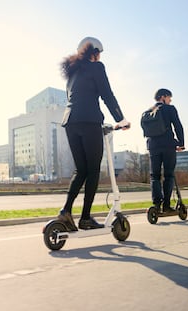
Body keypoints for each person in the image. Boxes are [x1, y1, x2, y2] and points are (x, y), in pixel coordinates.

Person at [58, 37, 130, 231]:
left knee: (80, 170)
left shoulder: (72, 75)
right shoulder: (97, 68)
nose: (99, 58)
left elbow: (75, 100)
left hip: (70, 123)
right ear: (94, 52)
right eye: (99, 54)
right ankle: (85, 218)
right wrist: (121, 120)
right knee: (93, 170)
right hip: (89, 123)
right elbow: (107, 93)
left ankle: (65, 211)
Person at [146, 88, 184, 213]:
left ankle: (156, 205)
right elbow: (177, 125)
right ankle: (166, 206)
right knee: (168, 175)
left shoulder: (147, 111)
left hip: (153, 147)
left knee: (154, 176)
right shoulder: (170, 109)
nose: (170, 100)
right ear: (163, 97)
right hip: (168, 145)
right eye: (169, 97)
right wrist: (181, 143)